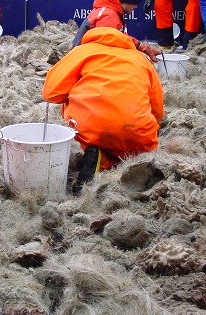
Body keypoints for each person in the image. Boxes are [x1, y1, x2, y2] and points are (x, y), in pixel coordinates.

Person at [42, 27, 164, 194]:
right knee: (138, 151)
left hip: (93, 128)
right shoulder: (140, 59)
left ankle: (101, 157)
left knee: (69, 101)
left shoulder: (82, 51)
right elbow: (157, 110)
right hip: (138, 131)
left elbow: (51, 94)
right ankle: (118, 160)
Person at [71, 0, 162, 62]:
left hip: (86, 55)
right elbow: (105, 49)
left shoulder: (112, 12)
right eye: (137, 3)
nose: (136, 7)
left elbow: (120, 37)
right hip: (85, 59)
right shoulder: (109, 17)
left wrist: (144, 47)